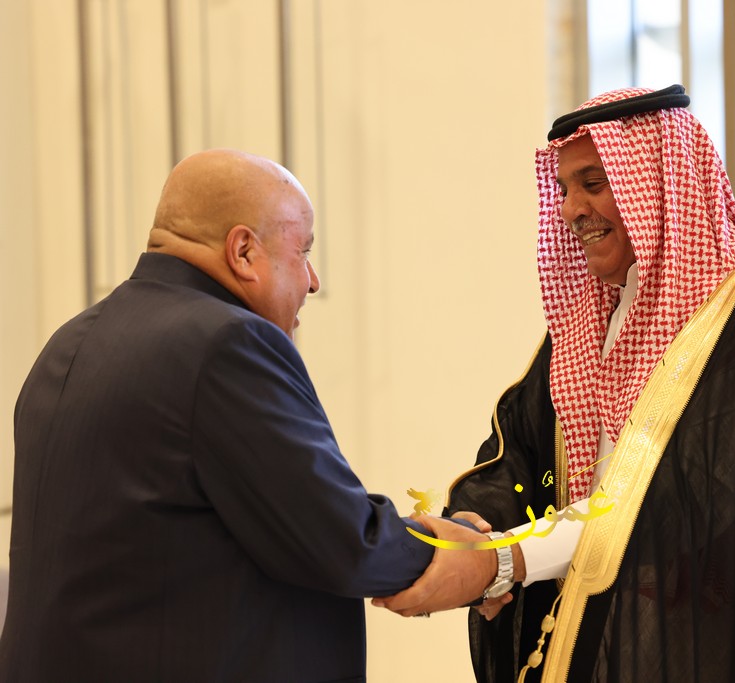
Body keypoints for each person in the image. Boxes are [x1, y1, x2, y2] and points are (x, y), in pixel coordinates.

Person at [376, 87, 735, 681]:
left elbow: (695, 495)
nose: (572, 210)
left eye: (594, 183)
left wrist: (504, 560)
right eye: (564, 189)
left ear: (656, 179)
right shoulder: (599, 304)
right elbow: (527, 447)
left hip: (719, 640)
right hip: (601, 626)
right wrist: (473, 530)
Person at [0, 149, 495, 682]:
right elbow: (341, 539)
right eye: (303, 251)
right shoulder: (227, 342)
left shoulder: (70, 340)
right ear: (243, 251)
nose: (312, 280)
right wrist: (465, 552)